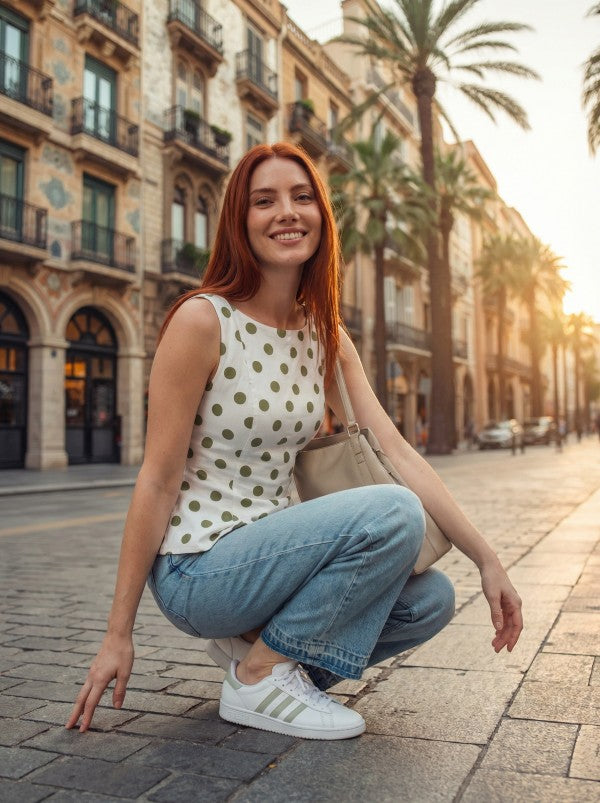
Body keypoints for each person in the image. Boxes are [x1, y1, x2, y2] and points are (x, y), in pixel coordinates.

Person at [66, 143, 522, 741]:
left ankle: (263, 661)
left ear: (320, 216)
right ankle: (260, 678)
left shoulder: (325, 335)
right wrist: (117, 633)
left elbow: (399, 452)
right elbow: (156, 478)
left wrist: (488, 559)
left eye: (302, 197)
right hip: (200, 569)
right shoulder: (202, 321)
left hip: (278, 561)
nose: (287, 212)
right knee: (392, 513)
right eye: (264, 200)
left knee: (430, 598)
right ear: (241, 220)